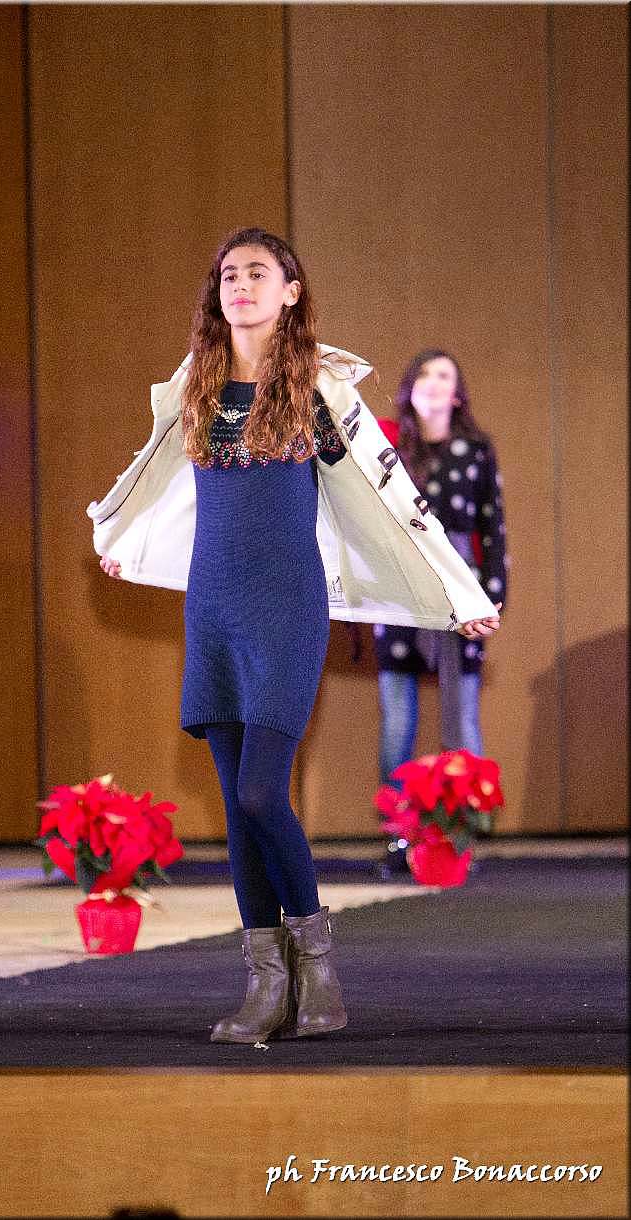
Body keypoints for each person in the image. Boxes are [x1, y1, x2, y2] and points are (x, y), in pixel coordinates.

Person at [92, 228, 501, 1045]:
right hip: (213, 609)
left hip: (285, 607)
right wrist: (120, 539)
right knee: (237, 810)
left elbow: (390, 496)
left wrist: (457, 594)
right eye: (228, 275)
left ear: (289, 292)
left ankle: (317, 966)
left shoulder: (317, 388)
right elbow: (151, 475)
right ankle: (264, 984)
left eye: (257, 273)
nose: (239, 285)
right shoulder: (197, 385)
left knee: (259, 793)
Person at [369, 349, 509, 875]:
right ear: (409, 388)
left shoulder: (476, 449)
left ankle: (461, 835)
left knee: (463, 715)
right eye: (424, 373)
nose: (433, 382)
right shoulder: (388, 447)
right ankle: (399, 839)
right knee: (397, 720)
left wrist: (490, 593)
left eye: (444, 374)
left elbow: (493, 525)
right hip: (400, 591)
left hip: (460, 590)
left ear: (457, 393)